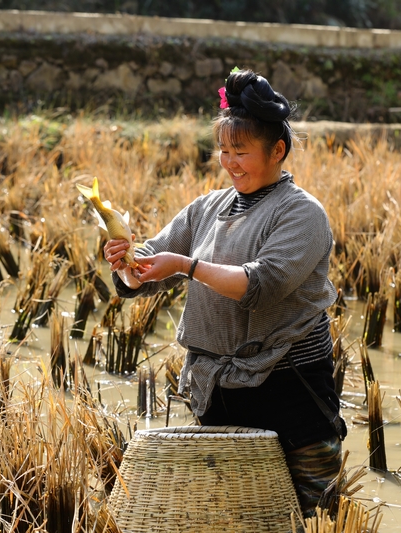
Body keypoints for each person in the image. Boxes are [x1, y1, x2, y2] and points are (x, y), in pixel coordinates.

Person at [103, 68, 344, 515]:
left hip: (292, 395)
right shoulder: (206, 208)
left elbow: (262, 285)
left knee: (311, 517)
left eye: (242, 152)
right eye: (224, 151)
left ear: (277, 150)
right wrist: (127, 262)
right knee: (227, 515)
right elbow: (148, 266)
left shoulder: (303, 214)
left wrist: (186, 266)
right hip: (218, 395)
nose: (230, 162)